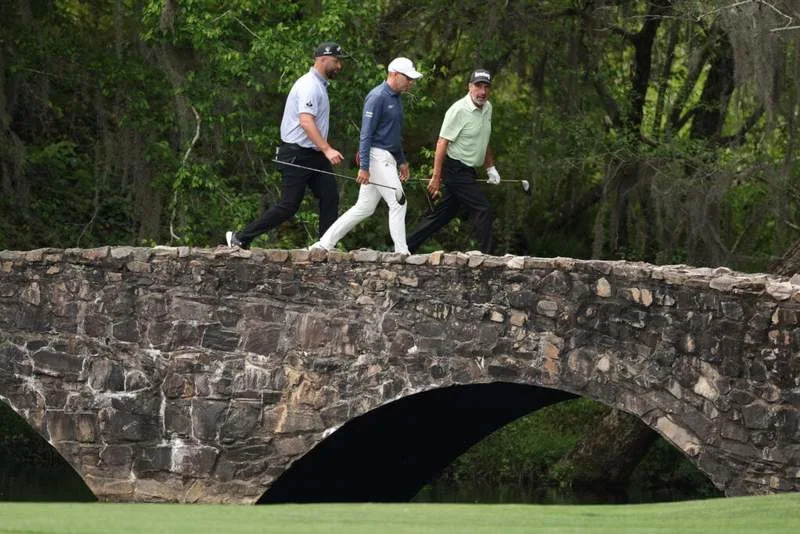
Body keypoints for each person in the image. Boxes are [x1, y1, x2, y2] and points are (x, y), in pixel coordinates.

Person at [226, 42, 349, 249]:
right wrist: (327, 149)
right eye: (336, 61)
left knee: (330, 197)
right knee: (289, 205)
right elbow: (306, 121)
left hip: (314, 154)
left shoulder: (319, 85)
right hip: (296, 154)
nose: (339, 66)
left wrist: (323, 150)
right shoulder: (309, 85)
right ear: (322, 60)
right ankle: (240, 237)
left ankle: (325, 246)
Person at [309, 57, 423, 254]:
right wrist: (364, 167)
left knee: (364, 208)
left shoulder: (397, 99)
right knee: (398, 201)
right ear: (394, 74)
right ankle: (402, 253)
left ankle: (323, 243)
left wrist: (402, 161)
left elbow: (394, 135)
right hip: (376, 157)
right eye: (408, 78)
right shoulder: (377, 96)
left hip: (388, 157)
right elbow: (366, 133)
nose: (411, 82)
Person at [406, 69, 501, 254]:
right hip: (455, 169)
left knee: (443, 214)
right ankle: (489, 257)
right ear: (469, 87)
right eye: (478, 86)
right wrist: (436, 176)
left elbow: (484, 138)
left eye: (486, 87)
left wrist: (491, 167)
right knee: (483, 208)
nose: (482, 91)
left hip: (468, 170)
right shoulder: (458, 110)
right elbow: (442, 142)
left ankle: (405, 247)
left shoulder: (488, 107)